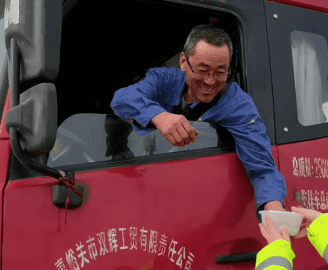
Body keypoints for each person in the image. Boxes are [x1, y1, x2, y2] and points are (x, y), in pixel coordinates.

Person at [110, 25, 286, 212]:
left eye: (220, 72)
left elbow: (263, 169)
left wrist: (274, 209)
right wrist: (158, 116)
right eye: (202, 70)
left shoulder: (237, 104)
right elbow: (121, 99)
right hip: (148, 183)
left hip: (197, 197)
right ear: (184, 61)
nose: (210, 81)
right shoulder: (163, 78)